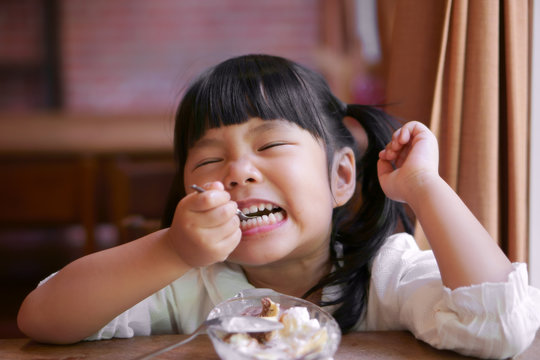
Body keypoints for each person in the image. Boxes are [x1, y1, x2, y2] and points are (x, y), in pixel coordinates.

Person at [18, 54, 539, 359]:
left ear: (340, 177)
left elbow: (501, 326)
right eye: (209, 160)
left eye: (269, 146)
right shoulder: (181, 283)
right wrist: (173, 251)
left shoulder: (386, 273)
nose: (239, 171)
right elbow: (42, 320)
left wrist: (424, 184)